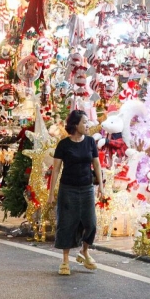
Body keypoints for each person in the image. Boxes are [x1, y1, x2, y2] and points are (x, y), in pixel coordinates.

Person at [49, 109, 106, 276]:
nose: (87, 125)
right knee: (66, 223)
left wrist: (101, 186)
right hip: (68, 189)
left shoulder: (90, 142)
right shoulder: (63, 145)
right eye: (84, 122)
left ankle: (84, 251)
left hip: (87, 188)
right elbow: (56, 170)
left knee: (91, 223)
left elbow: (96, 165)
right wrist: (51, 193)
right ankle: (65, 260)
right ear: (75, 125)